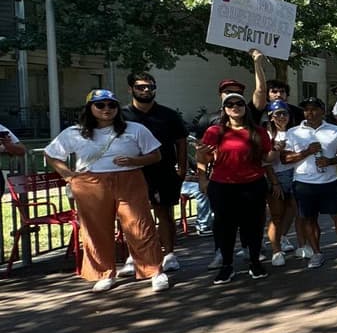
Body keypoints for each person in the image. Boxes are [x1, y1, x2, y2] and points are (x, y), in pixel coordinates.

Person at [44, 90, 170, 293]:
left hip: (129, 179)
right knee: (96, 229)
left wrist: (134, 161)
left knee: (140, 225)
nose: (107, 109)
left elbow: (155, 155)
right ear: (90, 108)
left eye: (111, 105)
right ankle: (103, 273)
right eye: (100, 105)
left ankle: (154, 270)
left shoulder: (135, 129)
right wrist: (68, 175)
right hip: (91, 182)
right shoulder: (74, 132)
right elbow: (51, 154)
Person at [198, 91, 277, 284]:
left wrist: (275, 151)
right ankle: (227, 265)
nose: (235, 107)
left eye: (239, 103)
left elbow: (267, 158)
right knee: (225, 227)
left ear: (245, 107)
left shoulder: (258, 131)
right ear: (224, 109)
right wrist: (202, 178)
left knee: (254, 225)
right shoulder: (214, 131)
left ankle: (254, 262)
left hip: (253, 184)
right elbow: (204, 158)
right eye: (230, 104)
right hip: (223, 186)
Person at [119, 71, 186, 275]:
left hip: (163, 171)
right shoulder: (121, 115)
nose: (146, 90)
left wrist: (182, 167)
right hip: (131, 172)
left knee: (164, 212)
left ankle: (169, 255)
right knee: (131, 216)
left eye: (150, 87)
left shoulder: (168, 115)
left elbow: (181, 142)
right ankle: (135, 256)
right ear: (130, 89)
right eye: (141, 87)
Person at [283, 96, 337, 268]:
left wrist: (330, 161)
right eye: (306, 109)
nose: (310, 112)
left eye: (314, 108)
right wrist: (306, 152)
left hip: (330, 181)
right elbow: (285, 158)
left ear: (322, 111)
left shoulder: (334, 130)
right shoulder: (293, 132)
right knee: (309, 219)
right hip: (304, 182)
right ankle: (317, 253)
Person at [264, 99, 298, 266]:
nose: (282, 117)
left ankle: (283, 237)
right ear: (271, 117)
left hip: (295, 175)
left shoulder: (294, 132)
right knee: (276, 215)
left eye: (284, 113)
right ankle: (276, 250)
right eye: (278, 114)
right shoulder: (268, 135)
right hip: (276, 176)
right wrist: (275, 182)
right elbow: (266, 163)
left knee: (293, 210)